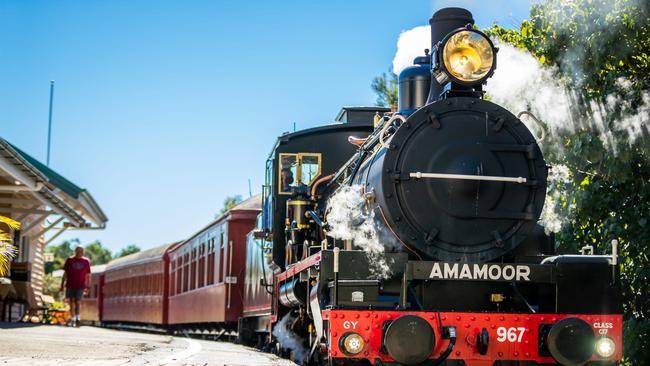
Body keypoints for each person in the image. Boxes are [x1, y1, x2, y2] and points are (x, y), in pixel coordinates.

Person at [60, 245, 91, 327]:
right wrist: (62, 284)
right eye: (78, 251)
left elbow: (88, 275)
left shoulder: (86, 261)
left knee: (77, 301)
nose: (79, 252)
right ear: (75, 251)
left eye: (81, 251)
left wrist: (88, 286)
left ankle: (77, 318)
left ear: (83, 252)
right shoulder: (70, 260)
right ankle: (73, 318)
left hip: (80, 285)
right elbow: (65, 273)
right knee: (71, 302)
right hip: (70, 284)